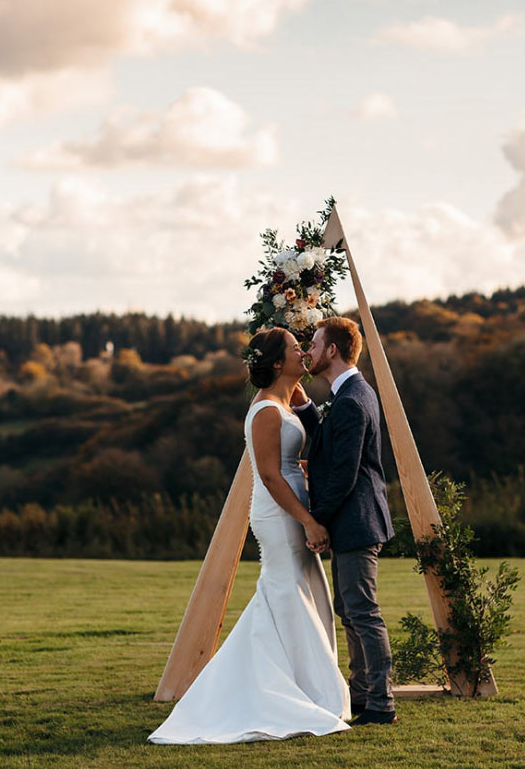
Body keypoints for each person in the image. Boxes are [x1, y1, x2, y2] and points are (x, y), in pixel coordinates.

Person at [148, 328, 350, 744]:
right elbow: (272, 476)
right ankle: (292, 692)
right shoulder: (265, 412)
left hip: (293, 506)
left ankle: (304, 686)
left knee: (303, 592)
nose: (302, 353)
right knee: (285, 594)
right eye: (296, 349)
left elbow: (291, 466)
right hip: (279, 515)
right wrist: (308, 520)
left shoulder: (284, 403)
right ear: (277, 363)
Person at [291, 316, 398, 726]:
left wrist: (314, 521)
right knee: (350, 611)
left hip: (356, 521)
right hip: (352, 521)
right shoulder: (349, 393)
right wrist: (303, 407)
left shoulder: (352, 398)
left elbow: (343, 473)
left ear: (332, 350)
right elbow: (330, 443)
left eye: (314, 345)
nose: (308, 352)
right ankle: (360, 695)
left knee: (363, 612)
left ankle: (381, 703)